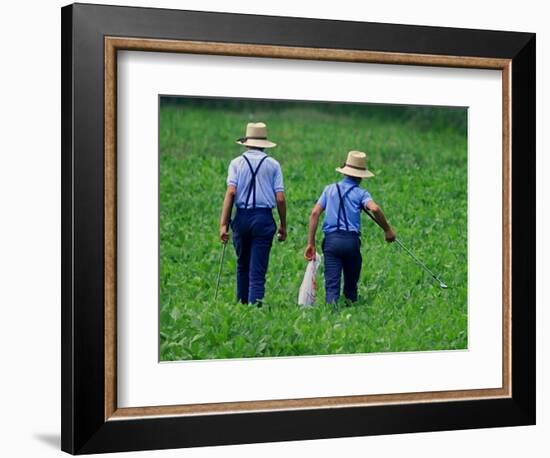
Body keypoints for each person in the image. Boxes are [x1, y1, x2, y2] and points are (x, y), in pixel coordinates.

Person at [304, 151, 396, 304]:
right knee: (351, 285)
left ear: (345, 171)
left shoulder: (329, 189)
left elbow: (314, 213)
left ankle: (331, 317)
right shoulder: (361, 193)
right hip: (351, 242)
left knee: (332, 286)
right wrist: (387, 229)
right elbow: (374, 209)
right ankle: (350, 310)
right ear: (361, 176)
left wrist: (311, 243)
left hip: (331, 242)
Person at [219, 122, 287, 306]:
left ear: (247, 142)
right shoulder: (273, 165)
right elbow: (280, 198)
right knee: (257, 271)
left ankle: (242, 306)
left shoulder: (236, 163)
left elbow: (231, 193)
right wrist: (283, 225)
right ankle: (254, 310)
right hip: (263, 218)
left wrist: (223, 224)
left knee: (242, 266)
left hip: (241, 217)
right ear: (264, 143)